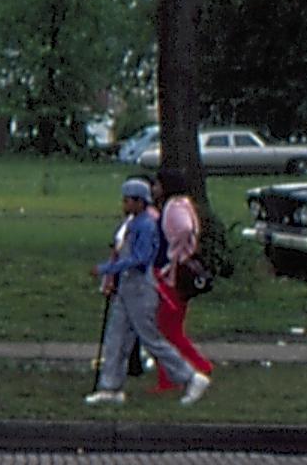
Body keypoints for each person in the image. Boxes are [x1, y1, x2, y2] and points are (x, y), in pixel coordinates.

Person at [89, 175, 208, 405]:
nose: (124, 205)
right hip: (126, 287)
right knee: (116, 337)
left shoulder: (145, 225)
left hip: (140, 289)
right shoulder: (134, 223)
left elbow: (141, 259)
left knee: (151, 339)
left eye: (128, 200)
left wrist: (107, 269)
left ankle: (190, 377)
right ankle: (110, 386)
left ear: (140, 201)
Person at [150, 167, 218, 396]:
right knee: (169, 329)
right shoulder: (185, 204)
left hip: (171, 275)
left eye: (157, 184)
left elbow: (185, 228)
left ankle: (189, 370)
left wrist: (176, 251)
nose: (154, 189)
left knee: (167, 331)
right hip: (176, 274)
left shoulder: (173, 207)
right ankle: (174, 374)